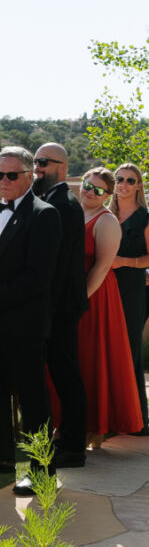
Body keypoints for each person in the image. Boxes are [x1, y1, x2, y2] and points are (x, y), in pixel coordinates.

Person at [0, 147, 61, 495]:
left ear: (29, 176)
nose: (3, 182)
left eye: (11, 175)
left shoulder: (45, 215)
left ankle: (42, 472)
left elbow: (40, 275)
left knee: (32, 399)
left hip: (23, 322)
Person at [32, 144, 89, 467]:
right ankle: (66, 439)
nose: (38, 168)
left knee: (66, 376)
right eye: (35, 162)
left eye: (44, 163)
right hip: (56, 306)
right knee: (63, 375)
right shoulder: (52, 201)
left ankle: (73, 447)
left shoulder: (64, 205)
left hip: (60, 308)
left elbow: (57, 264)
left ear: (63, 167)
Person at [77, 168, 143, 444]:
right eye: (87, 185)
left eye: (98, 189)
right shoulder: (73, 214)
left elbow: (103, 266)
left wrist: (80, 302)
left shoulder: (107, 221)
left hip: (98, 297)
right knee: (76, 360)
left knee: (98, 359)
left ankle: (99, 426)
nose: (90, 191)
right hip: (73, 295)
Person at [110, 162, 149, 435]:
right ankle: (112, 416)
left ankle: (137, 421)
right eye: (119, 179)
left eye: (130, 180)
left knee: (129, 350)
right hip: (105, 288)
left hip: (134, 290)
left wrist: (124, 261)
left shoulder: (145, 218)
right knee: (108, 349)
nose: (123, 184)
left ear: (139, 186)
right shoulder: (106, 215)